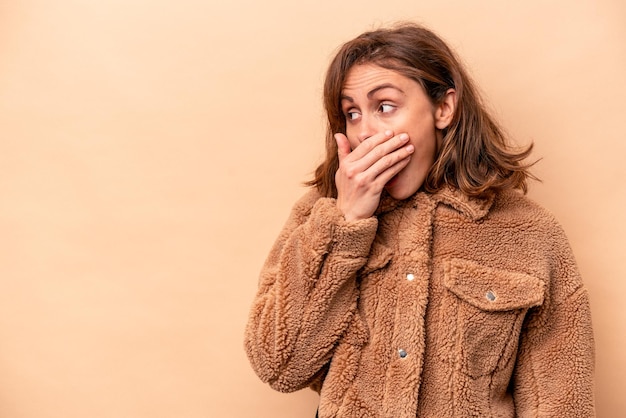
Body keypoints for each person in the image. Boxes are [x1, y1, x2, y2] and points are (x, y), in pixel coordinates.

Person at [244, 22, 595, 417]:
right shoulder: (319, 216)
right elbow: (279, 366)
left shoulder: (530, 232)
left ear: (443, 108)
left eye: (385, 107)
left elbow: (562, 402)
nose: (365, 132)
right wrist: (345, 224)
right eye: (352, 113)